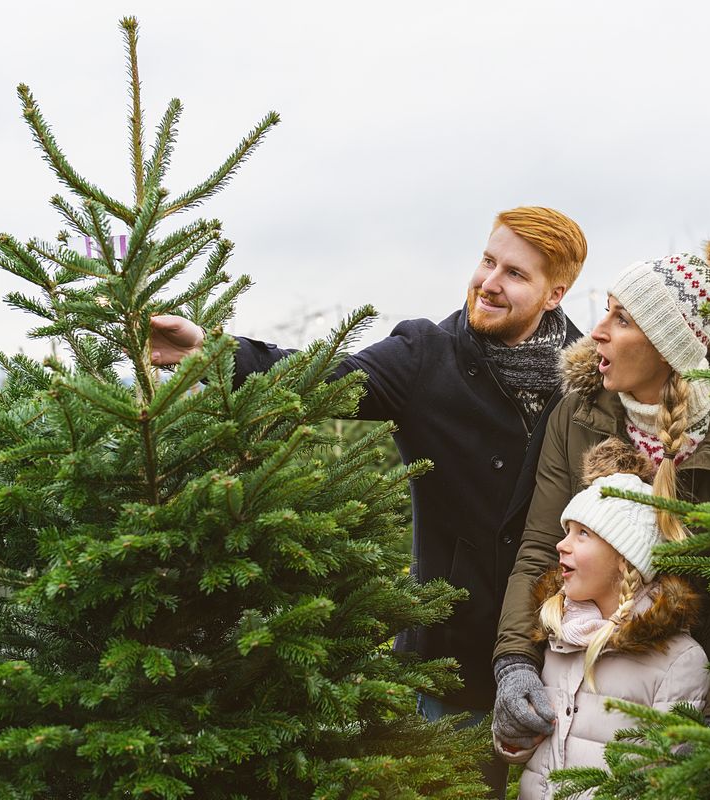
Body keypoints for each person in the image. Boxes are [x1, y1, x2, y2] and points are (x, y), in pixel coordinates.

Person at [149, 206, 588, 797]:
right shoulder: (426, 355)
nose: (489, 282)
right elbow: (316, 377)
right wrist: (210, 349)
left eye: (515, 274)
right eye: (488, 260)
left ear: (555, 294)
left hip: (564, 655)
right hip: (448, 660)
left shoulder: (587, 379)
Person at [492, 238, 710, 752]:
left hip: (695, 688)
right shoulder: (576, 416)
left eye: (621, 319)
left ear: (668, 345)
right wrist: (514, 663)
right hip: (589, 684)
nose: (596, 332)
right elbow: (538, 550)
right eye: (606, 312)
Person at [495, 464, 709, 800]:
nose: (561, 545)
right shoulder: (557, 636)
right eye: (567, 531)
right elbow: (528, 754)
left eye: (583, 533)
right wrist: (512, 735)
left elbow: (670, 783)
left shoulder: (679, 662)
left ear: (624, 559)